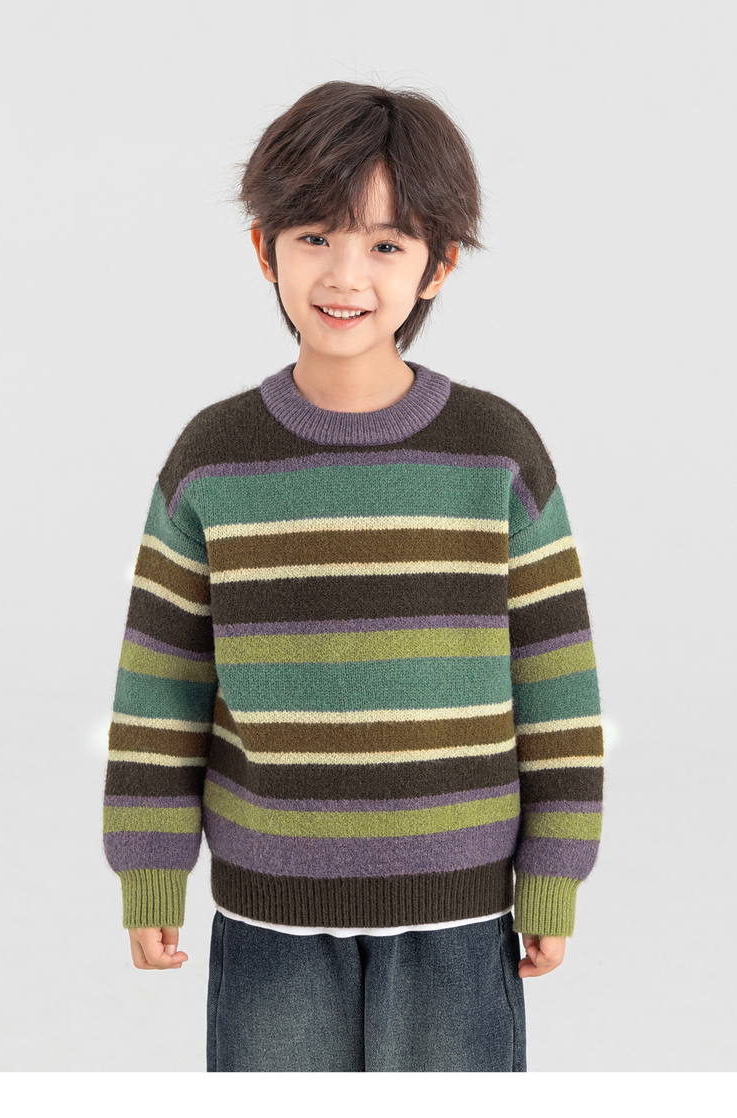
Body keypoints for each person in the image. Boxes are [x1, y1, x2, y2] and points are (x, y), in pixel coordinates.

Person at [102, 80, 604, 1073]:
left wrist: (555, 870)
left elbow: (557, 678)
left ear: (438, 264)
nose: (345, 273)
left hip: (462, 907)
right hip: (270, 908)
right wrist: (151, 867)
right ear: (265, 249)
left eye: (385, 244)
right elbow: (160, 682)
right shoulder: (213, 457)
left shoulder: (496, 452)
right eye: (315, 236)